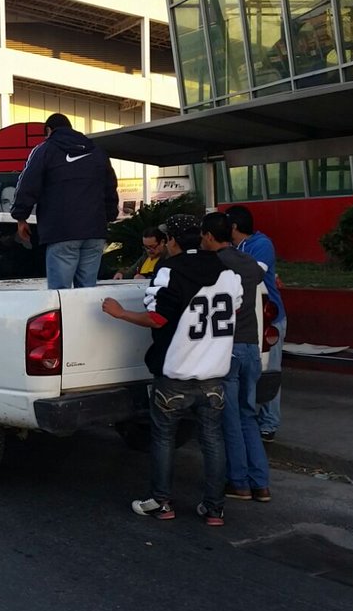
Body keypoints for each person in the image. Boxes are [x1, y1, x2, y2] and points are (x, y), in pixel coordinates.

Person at [101, 214, 242, 526]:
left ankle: (161, 502)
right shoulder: (229, 273)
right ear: (202, 236)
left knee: (164, 437)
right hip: (214, 373)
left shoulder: (168, 271)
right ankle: (214, 508)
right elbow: (235, 308)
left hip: (176, 371)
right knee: (212, 439)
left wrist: (120, 313)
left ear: (173, 241)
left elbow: (158, 319)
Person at [201, 212, 271, 503]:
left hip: (226, 348)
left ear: (207, 236)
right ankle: (261, 484)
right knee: (248, 416)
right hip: (250, 348)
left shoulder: (213, 264)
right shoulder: (250, 263)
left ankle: (239, 482)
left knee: (228, 418)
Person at [11, 113, 118, 289]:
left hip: (62, 231)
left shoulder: (45, 150)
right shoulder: (97, 152)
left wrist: (20, 217)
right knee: (87, 290)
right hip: (95, 232)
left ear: (48, 130)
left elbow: (28, 184)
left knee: (60, 294)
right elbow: (110, 187)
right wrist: (108, 216)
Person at [225, 205, 286, 442]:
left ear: (234, 226)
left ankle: (269, 423)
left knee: (269, 370)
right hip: (245, 316)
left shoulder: (261, 244)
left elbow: (253, 274)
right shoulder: (233, 247)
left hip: (268, 316)